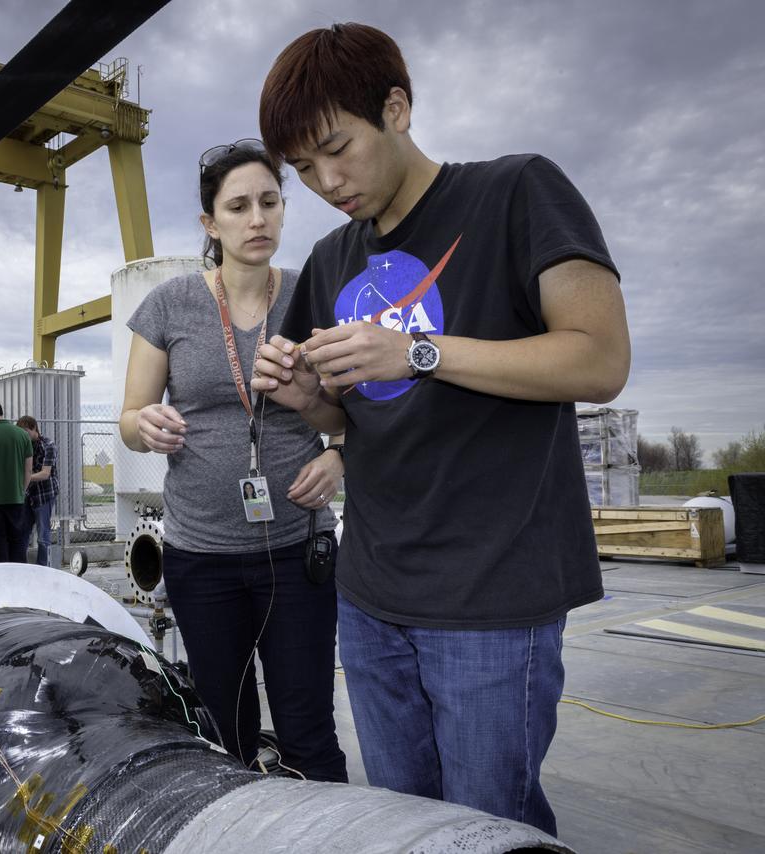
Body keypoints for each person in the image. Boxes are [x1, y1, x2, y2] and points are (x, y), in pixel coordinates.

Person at [251, 23, 631, 834]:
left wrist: (416, 349)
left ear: (396, 107)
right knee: (403, 825)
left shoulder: (517, 192)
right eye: (305, 168)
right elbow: (352, 417)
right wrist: (306, 399)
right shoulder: (329, 259)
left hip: (495, 592)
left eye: (336, 149)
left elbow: (599, 359)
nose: (326, 181)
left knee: (490, 827)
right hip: (373, 593)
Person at [118, 139, 348, 782]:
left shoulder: (314, 296)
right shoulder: (169, 307)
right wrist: (146, 425)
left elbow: (361, 414)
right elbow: (130, 421)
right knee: (223, 724)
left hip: (299, 549)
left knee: (307, 726)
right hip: (203, 557)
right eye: (239, 206)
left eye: (270, 203)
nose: (257, 219)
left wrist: (338, 459)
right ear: (209, 223)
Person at [0, 400, 33, 563]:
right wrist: (21, 491)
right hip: (17, 498)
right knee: (18, 540)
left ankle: (1, 579)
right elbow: (28, 469)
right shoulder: (21, 434)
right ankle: (19, 577)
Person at [16, 415, 58, 566]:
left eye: (26, 432)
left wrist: (24, 479)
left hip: (44, 495)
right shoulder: (23, 445)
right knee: (23, 532)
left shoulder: (49, 445)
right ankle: (21, 566)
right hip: (28, 495)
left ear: (35, 429)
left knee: (43, 536)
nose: (24, 436)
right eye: (21, 432)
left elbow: (45, 474)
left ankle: (42, 568)